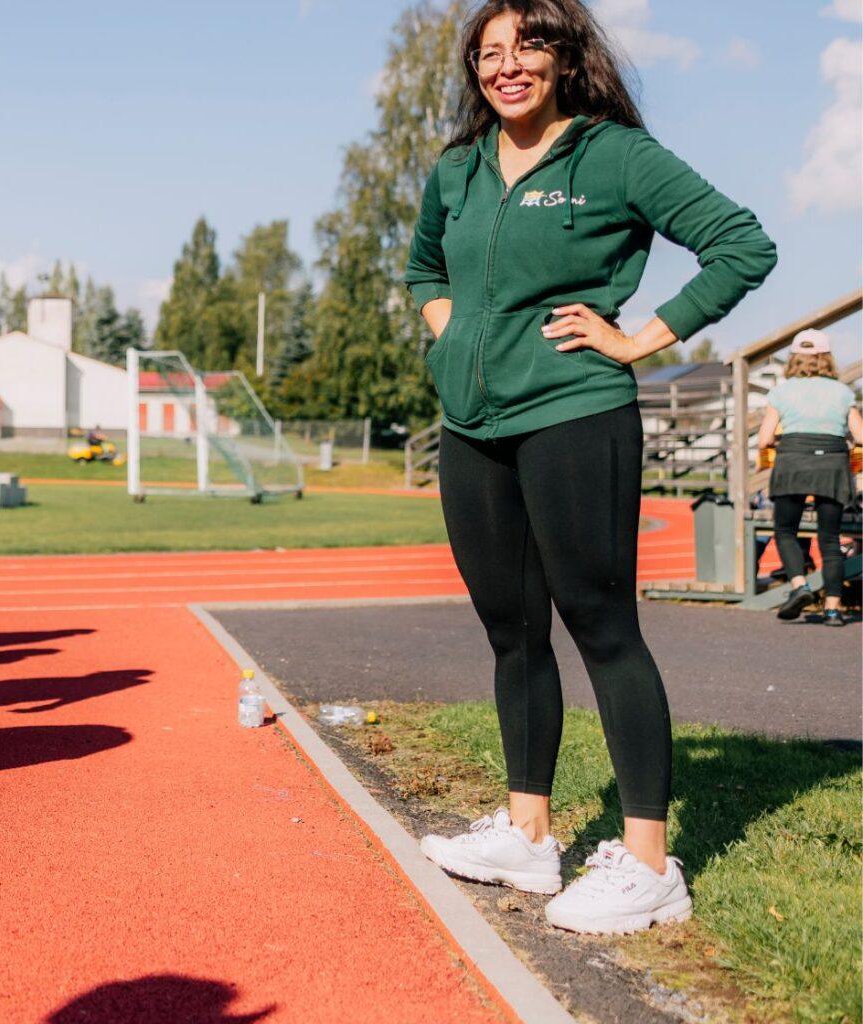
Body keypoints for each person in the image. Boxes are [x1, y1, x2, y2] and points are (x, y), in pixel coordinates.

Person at [404, 0, 775, 935]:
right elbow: (423, 273)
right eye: (489, 53)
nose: (507, 66)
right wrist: (451, 342)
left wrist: (639, 338)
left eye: (527, 46)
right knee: (511, 631)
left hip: (575, 416)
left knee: (602, 627)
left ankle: (650, 864)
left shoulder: (613, 157)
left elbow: (743, 244)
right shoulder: (456, 169)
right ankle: (529, 837)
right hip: (470, 425)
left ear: (566, 57)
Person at [757, 329, 862, 626]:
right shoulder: (842, 392)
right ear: (826, 357)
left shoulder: (782, 391)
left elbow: (764, 439)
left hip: (792, 462)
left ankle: (800, 586)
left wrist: (787, 443)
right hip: (832, 465)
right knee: (829, 539)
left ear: (795, 357)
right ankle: (832, 609)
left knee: (786, 530)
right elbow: (861, 436)